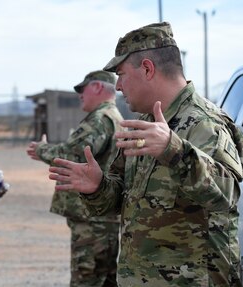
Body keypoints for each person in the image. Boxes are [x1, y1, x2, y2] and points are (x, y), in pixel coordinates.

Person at [48, 22, 243, 286]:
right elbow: (124, 200)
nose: (117, 87)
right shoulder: (146, 123)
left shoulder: (204, 122)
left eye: (121, 74)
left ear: (148, 69)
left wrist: (173, 149)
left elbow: (228, 194)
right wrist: (97, 188)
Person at [26, 70, 123, 287]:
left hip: (92, 219)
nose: (80, 94)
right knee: (105, 278)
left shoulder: (99, 119)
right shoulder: (113, 117)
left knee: (87, 279)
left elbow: (75, 155)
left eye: (83, 88)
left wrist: (43, 150)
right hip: (102, 216)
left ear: (98, 87)